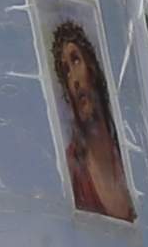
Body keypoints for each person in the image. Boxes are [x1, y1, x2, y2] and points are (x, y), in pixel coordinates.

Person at [50, 12, 136, 220]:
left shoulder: (130, 149)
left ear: (92, 67)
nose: (74, 80)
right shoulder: (73, 168)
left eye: (76, 60)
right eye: (66, 72)